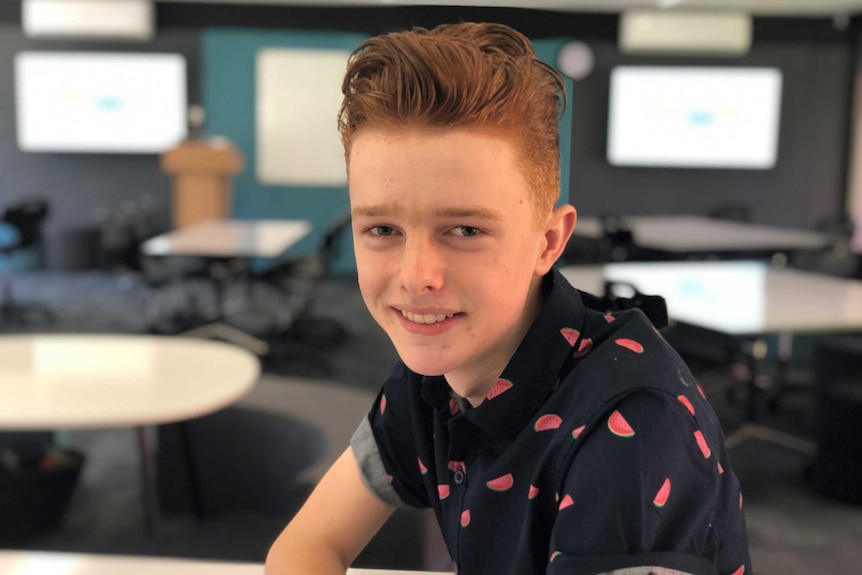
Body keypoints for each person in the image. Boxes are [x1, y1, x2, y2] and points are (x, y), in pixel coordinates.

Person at [266, 22, 751, 575]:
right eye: (381, 230)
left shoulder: (632, 430)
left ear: (548, 242)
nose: (416, 277)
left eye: (466, 231)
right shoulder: (434, 369)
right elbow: (309, 544)